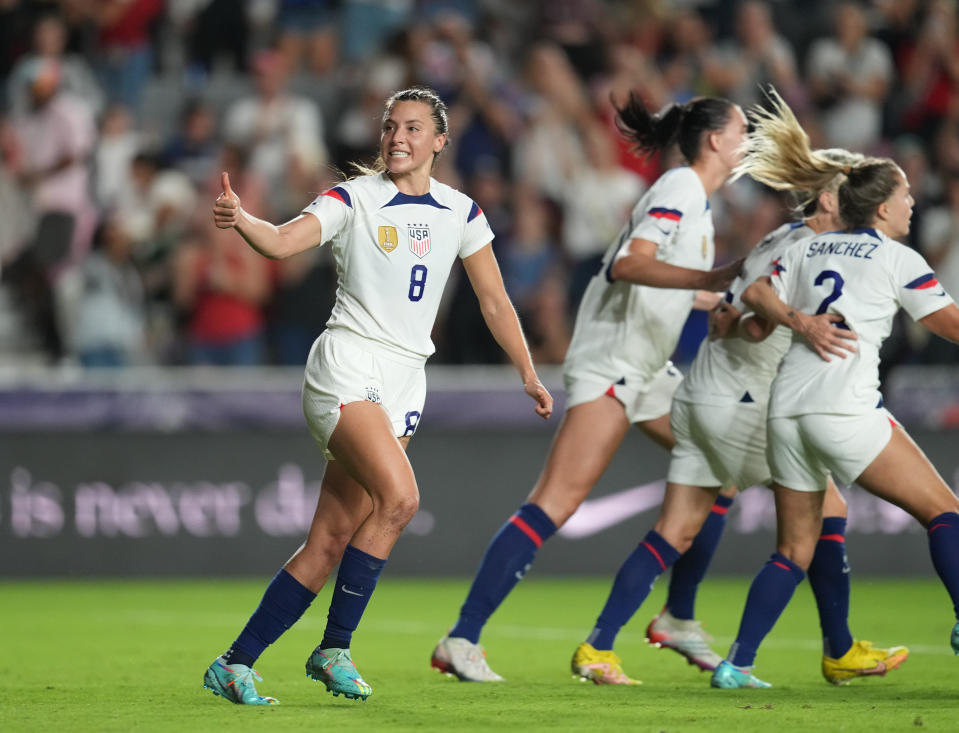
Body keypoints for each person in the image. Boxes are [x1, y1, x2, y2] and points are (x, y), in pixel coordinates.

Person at [201, 86, 553, 705]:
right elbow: (284, 241)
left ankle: (234, 663)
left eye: (414, 128)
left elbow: (495, 300)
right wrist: (242, 220)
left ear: (439, 141)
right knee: (401, 498)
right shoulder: (354, 199)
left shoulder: (461, 211)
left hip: (405, 380)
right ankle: (335, 647)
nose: (398, 138)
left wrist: (527, 370)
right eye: (391, 127)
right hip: (347, 364)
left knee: (331, 541)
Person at [570, 95, 906, 686]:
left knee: (674, 530)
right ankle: (824, 649)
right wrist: (790, 322)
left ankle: (599, 646)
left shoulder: (780, 239)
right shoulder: (809, 247)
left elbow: (743, 306)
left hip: (701, 398)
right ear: (828, 200)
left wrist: (748, 319)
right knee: (825, 509)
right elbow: (752, 305)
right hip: (742, 403)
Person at [431, 92, 746, 682]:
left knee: (720, 471)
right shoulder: (681, 188)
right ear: (714, 141)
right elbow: (630, 264)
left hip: (647, 368)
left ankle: (677, 616)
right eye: (742, 130)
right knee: (556, 501)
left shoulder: (696, 201)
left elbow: (658, 283)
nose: (747, 141)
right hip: (614, 362)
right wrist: (713, 278)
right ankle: (462, 638)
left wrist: (718, 298)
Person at [708, 90, 959, 689]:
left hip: (786, 410)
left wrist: (800, 320)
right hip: (842, 408)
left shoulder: (806, 243)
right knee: (945, 512)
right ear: (879, 210)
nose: (911, 202)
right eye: (903, 195)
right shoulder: (896, 256)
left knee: (795, 546)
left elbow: (757, 294)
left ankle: (737, 663)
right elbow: (949, 327)